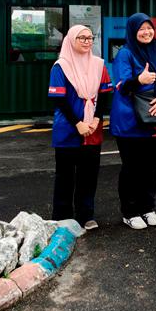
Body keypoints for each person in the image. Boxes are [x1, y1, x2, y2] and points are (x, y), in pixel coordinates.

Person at [110, 13, 156, 229]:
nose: (147, 32)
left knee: (152, 167)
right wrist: (139, 79)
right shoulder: (125, 54)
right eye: (141, 29)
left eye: (149, 28)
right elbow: (121, 86)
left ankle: (148, 208)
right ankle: (130, 211)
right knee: (132, 168)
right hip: (131, 122)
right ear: (132, 31)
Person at [48, 25, 112, 231]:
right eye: (81, 38)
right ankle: (62, 216)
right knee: (65, 175)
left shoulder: (99, 65)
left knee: (89, 174)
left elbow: (104, 94)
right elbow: (60, 100)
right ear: (71, 40)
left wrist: (96, 120)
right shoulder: (61, 66)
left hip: (92, 130)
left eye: (89, 38)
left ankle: (86, 215)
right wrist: (78, 123)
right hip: (68, 128)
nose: (86, 41)